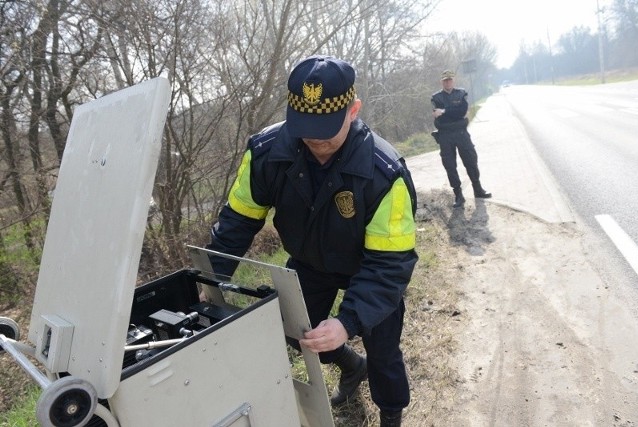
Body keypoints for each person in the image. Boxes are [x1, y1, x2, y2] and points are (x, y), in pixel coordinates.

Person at [202, 55, 418, 427]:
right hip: (310, 263)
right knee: (299, 334)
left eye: (326, 126)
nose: (315, 137)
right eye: (305, 125)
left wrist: (347, 321)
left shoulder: (384, 174)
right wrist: (208, 276)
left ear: (353, 110)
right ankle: (353, 367)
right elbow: (237, 221)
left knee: (384, 352)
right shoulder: (266, 154)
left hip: (368, 268)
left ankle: (391, 414)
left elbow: (389, 265)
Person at [431, 69, 491, 208]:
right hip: (445, 134)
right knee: (450, 165)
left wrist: (445, 111)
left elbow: (462, 111)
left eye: (450, 79)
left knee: (471, 160)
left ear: (454, 80)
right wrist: (454, 111)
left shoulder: (461, 93)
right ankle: (458, 195)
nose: (448, 82)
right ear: (442, 82)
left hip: (461, 133)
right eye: (445, 80)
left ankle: (478, 189)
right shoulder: (436, 97)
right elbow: (438, 113)